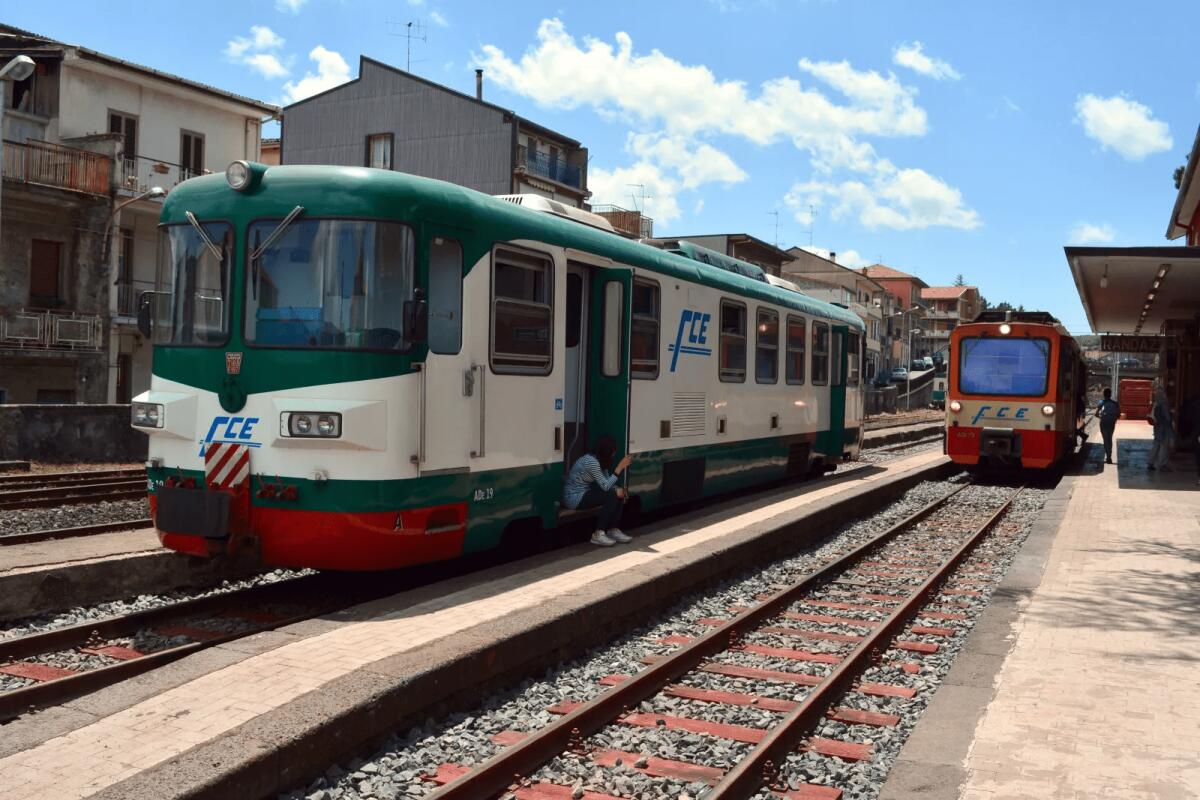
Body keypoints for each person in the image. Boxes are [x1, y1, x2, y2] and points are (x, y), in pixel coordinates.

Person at [562, 435, 634, 546]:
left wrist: (619, 490)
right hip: (574, 498)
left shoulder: (600, 461)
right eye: (614, 450)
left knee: (617, 493)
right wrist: (619, 468)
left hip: (584, 493)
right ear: (608, 451)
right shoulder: (591, 462)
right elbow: (605, 487)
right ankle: (598, 534)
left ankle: (613, 530)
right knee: (612, 495)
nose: (614, 453)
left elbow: (607, 483)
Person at [1147, 387, 1175, 472]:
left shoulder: (1156, 405)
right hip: (1164, 429)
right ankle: (1162, 464)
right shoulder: (1164, 406)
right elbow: (1167, 419)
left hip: (1157, 428)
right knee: (1164, 447)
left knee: (1156, 446)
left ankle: (1150, 463)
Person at [1094, 388, 1120, 464]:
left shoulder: (1101, 402)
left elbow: (1096, 414)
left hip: (1104, 422)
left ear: (1104, 395)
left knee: (1105, 439)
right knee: (1109, 438)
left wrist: (1101, 416)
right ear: (1110, 394)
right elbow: (1118, 415)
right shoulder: (1115, 403)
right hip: (1111, 422)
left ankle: (1108, 456)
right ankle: (1109, 456)